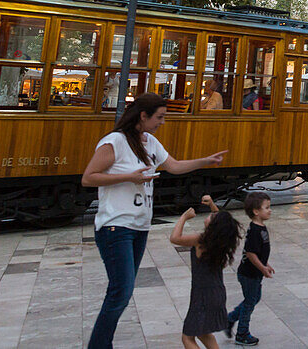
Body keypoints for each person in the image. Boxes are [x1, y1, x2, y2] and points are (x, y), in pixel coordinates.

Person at [81, 93, 228, 349]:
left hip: (139, 228)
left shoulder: (149, 141)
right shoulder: (114, 142)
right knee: (121, 292)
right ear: (143, 116)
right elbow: (88, 177)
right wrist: (128, 177)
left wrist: (206, 161)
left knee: (121, 293)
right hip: (115, 226)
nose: (162, 122)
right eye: (159, 117)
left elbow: (174, 165)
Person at [170, 197, 241, 349]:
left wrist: (184, 217)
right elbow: (221, 219)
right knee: (203, 332)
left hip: (203, 295)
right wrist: (212, 204)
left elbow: (175, 238)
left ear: (214, 226)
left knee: (187, 337)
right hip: (217, 293)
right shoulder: (222, 241)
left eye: (212, 217)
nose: (210, 215)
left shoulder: (201, 240)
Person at [225, 192, 274, 346]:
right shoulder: (255, 231)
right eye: (266, 208)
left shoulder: (261, 227)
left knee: (253, 299)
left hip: (253, 273)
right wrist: (262, 268)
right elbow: (251, 254)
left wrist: (266, 264)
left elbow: (260, 252)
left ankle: (230, 319)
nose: (270, 210)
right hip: (249, 274)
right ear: (256, 211)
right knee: (250, 303)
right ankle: (242, 333)